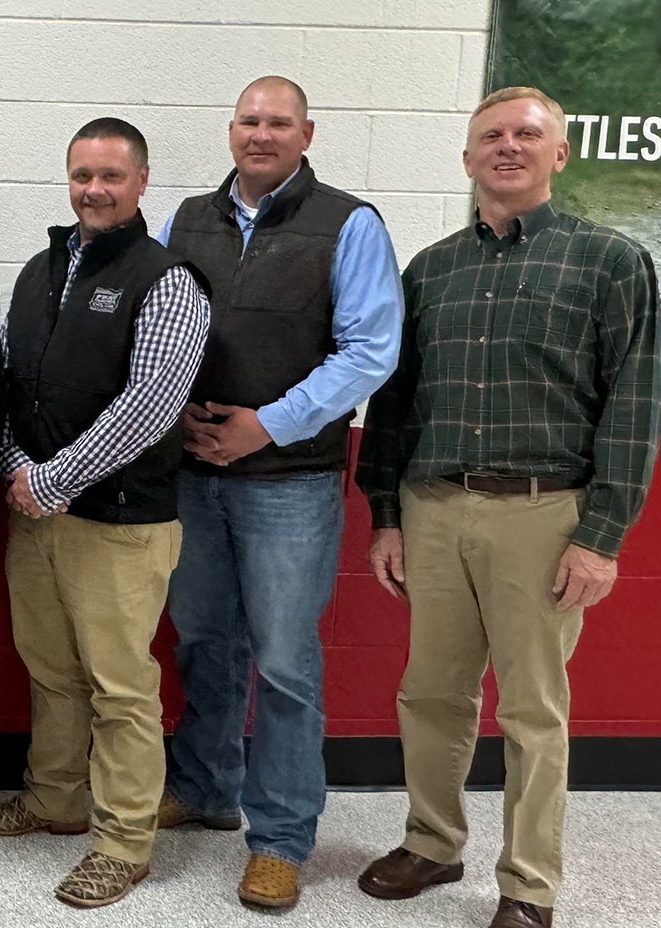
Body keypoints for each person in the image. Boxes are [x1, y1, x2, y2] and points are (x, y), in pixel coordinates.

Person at [354, 85, 661, 928]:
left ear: (559, 155)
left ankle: (528, 885)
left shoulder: (609, 262)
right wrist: (385, 511)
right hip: (434, 508)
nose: (508, 146)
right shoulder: (430, 270)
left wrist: (600, 538)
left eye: (528, 134)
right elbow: (396, 404)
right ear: (467, 158)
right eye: (491, 135)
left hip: (545, 515)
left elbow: (633, 408)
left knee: (531, 710)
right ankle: (432, 841)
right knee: (431, 693)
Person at [154, 75, 404, 911]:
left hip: (287, 483)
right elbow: (157, 324)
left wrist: (268, 424)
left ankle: (283, 838)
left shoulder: (349, 223)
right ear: (231, 130)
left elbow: (370, 351)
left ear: (307, 132)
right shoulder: (187, 218)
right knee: (202, 642)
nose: (261, 135)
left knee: (287, 666)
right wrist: (173, 404)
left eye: (279, 123)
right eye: (249, 121)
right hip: (193, 473)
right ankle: (202, 788)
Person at [0, 117, 210, 908]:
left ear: (142, 182)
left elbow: (150, 404)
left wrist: (55, 477)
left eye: (110, 176)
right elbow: (6, 385)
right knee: (51, 670)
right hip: (39, 511)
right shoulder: (41, 269)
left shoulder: (169, 279)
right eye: (82, 176)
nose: (94, 190)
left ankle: (124, 841)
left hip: (120, 521)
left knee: (120, 686)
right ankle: (55, 799)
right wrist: (19, 471)